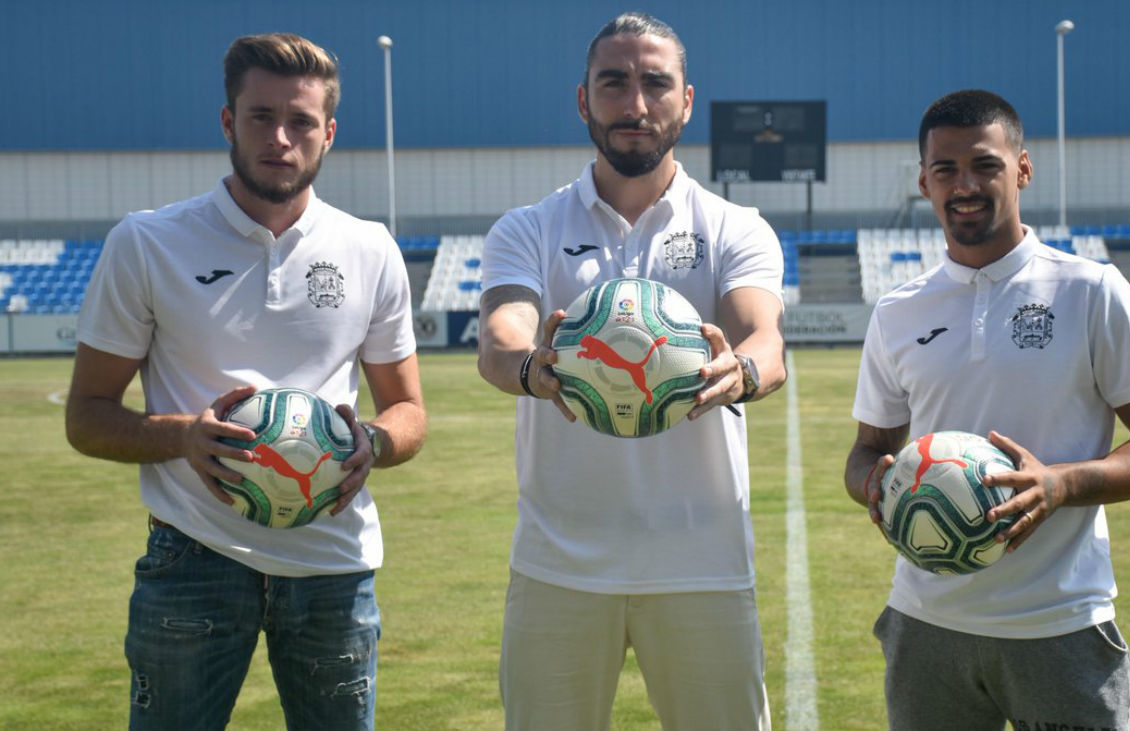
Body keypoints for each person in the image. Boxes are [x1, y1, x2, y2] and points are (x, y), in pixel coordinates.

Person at [64, 33, 427, 731]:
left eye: (301, 122)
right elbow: (87, 415)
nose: (281, 138)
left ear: (329, 133)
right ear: (229, 122)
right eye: (261, 117)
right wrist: (185, 437)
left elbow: (407, 409)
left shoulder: (369, 248)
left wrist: (371, 445)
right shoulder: (147, 243)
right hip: (192, 558)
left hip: (332, 563)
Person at [843, 89, 1130, 731]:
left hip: (1058, 624)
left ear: (1023, 169)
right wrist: (882, 489)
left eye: (985, 165)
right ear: (924, 182)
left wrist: (1062, 483)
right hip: (926, 625)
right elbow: (868, 451)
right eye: (945, 170)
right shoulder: (899, 311)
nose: (964, 185)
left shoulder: (1092, 290)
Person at [476, 12, 786, 731]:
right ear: (584, 100)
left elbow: (765, 337)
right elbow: (501, 339)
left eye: (655, 83)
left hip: (702, 565)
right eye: (614, 83)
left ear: (686, 100)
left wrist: (740, 370)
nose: (636, 103)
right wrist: (533, 367)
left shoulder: (734, 227)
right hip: (559, 566)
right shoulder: (527, 228)